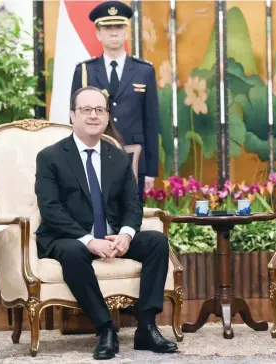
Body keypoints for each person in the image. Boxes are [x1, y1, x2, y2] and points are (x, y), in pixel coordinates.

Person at [35, 87, 177, 360]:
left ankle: (146, 327)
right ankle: (105, 329)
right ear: (72, 115)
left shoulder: (117, 156)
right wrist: (89, 240)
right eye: (86, 110)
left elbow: (132, 204)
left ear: (107, 116)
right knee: (75, 252)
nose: (93, 115)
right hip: (69, 237)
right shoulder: (51, 156)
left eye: (100, 110)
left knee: (156, 241)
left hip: (112, 237)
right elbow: (50, 209)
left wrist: (125, 234)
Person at [71, 1, 159, 201]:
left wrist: (151, 170)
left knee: (130, 217)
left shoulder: (144, 71)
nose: (113, 33)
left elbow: (151, 122)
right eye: (107, 27)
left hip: (134, 158)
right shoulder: (84, 71)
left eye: (118, 27)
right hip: (94, 154)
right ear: (98, 34)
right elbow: (74, 120)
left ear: (126, 32)